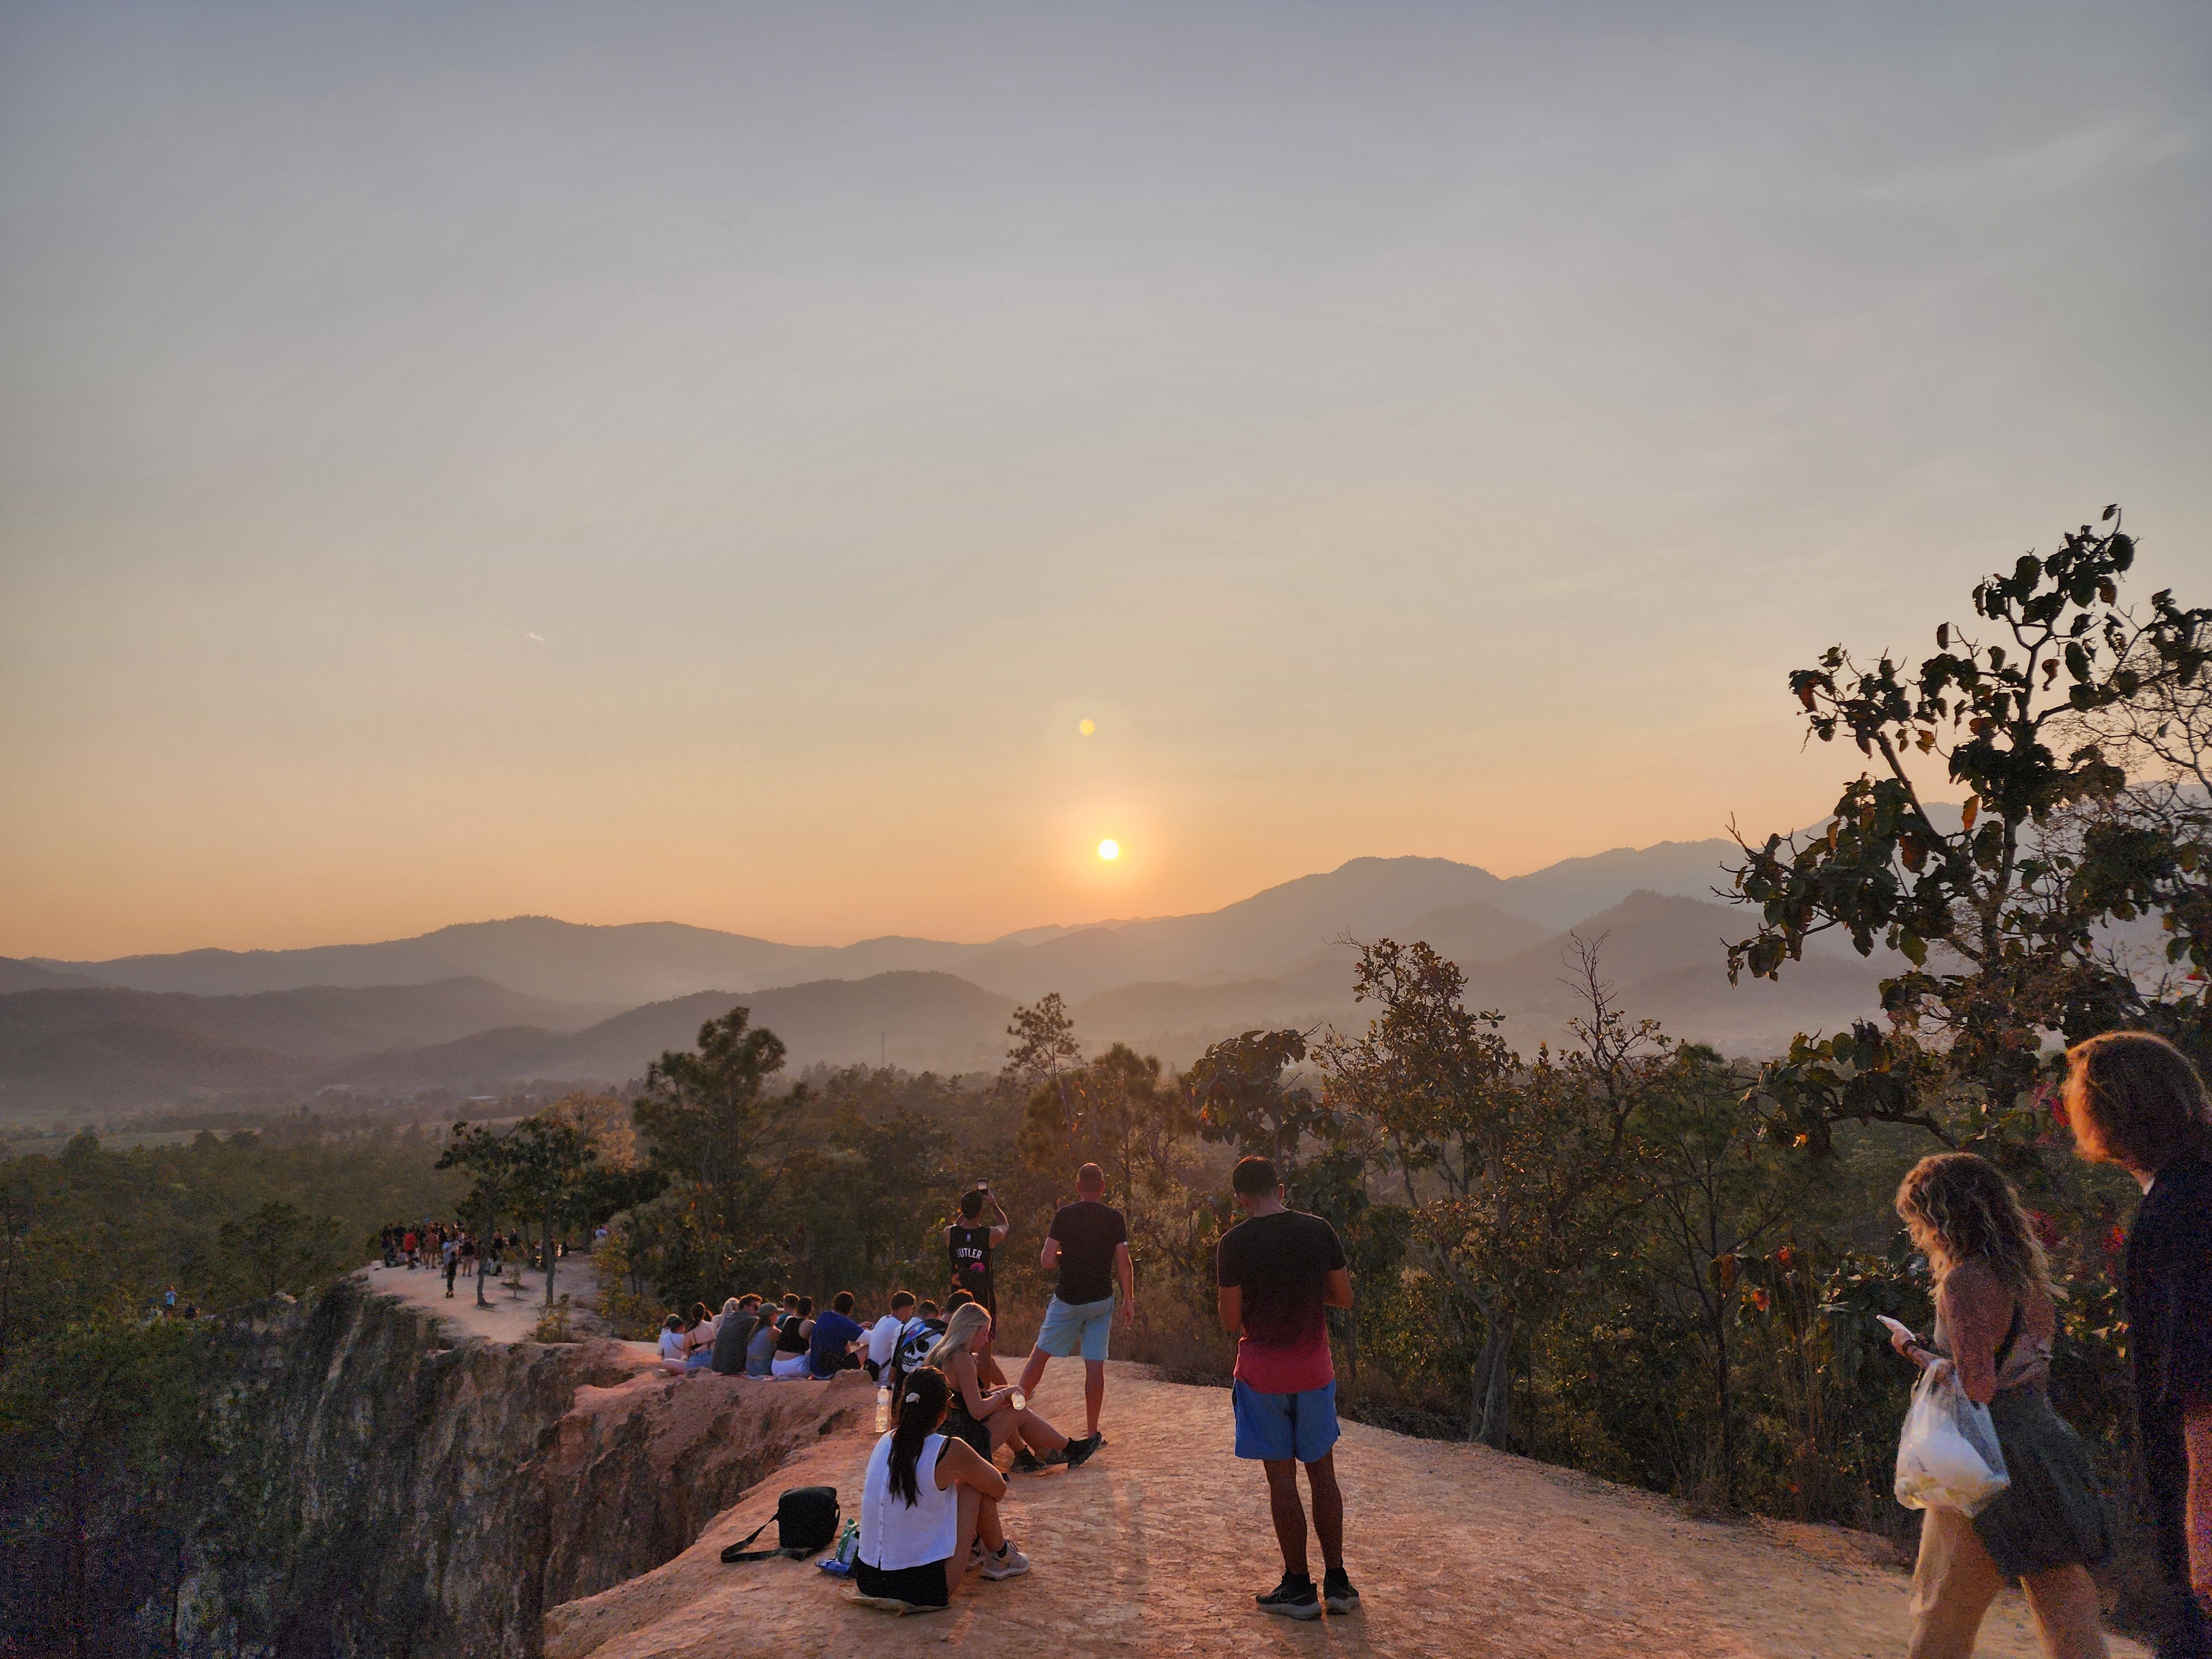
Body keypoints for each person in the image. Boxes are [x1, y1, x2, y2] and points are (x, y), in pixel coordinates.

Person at [1888, 1151, 2112, 1659]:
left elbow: (1978, 1388)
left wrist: (1913, 1349)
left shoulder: (1964, 1283)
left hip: (1986, 1458)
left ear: (1940, 1217)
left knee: (1943, 1610)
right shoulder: (2029, 1282)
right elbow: (2031, 1372)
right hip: (2045, 1447)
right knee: (2064, 1606)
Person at [2065, 1030, 2212, 1657]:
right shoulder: (2190, 1190)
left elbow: (2201, 1386)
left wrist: (2201, 1539)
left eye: (2075, 1096)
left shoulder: (2180, 1211)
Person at [1216, 1155, 1358, 1620]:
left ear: (1241, 1197)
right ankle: (1338, 1583)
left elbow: (1231, 1320)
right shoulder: (1319, 1230)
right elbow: (1344, 1297)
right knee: (1324, 1475)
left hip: (1263, 1375)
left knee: (1282, 1481)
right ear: (1280, 1187)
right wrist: (1304, 1292)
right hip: (1314, 1370)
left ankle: (1298, 1588)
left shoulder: (1232, 1244)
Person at [852, 1367, 1026, 1613]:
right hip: (922, 1590)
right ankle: (1001, 1555)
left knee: (949, 1486)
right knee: (974, 1484)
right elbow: (998, 1488)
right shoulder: (949, 1449)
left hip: (868, 1580)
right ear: (944, 1413)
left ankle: (985, 1551)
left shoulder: (885, 1441)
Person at [1017, 1163, 1130, 1454]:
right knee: (1094, 1365)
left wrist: (1068, 1258)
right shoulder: (1114, 1218)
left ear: (1078, 1187)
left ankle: (1014, 1414)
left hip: (1068, 1299)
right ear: (1103, 1187)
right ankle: (1092, 1432)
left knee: (1039, 1356)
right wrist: (1129, 1300)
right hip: (1100, 1301)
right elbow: (1123, 1262)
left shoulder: (1065, 1216)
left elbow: (1046, 1260)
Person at [927, 1302, 1089, 1474]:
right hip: (962, 1444)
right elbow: (977, 1411)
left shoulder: (940, 1352)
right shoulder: (962, 1358)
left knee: (1007, 1402)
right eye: (984, 1333)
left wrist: (1002, 1393)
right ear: (971, 1331)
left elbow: (964, 1400)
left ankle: (1028, 1455)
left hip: (943, 1437)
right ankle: (1071, 1450)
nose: (987, 1339)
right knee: (1018, 1412)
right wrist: (1003, 1394)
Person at [946, 1187, 1010, 1387]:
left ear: (961, 1209)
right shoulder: (989, 1235)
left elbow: (957, 1226)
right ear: (981, 1211)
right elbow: (1004, 1225)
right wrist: (993, 1203)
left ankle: (971, 1391)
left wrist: (964, 1212)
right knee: (984, 1351)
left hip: (959, 1299)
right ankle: (983, 1396)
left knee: (958, 1347)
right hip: (983, 1299)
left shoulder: (949, 1233)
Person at [810, 1291, 867, 1379]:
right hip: (831, 1373)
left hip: (815, 1370)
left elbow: (836, 1330)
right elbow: (872, 1339)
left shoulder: (824, 1316)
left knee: (844, 1340)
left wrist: (858, 1327)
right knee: (867, 1348)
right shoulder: (843, 1323)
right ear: (850, 1308)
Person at [865, 1291, 919, 1383]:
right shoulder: (898, 1327)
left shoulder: (883, 1320)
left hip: (873, 1373)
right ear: (903, 1308)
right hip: (884, 1379)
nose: (911, 1312)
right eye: (911, 1308)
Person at [712, 1295, 761, 1376]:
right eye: (756, 1308)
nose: (758, 1311)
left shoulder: (728, 1318)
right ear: (746, 1307)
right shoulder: (751, 1320)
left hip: (717, 1366)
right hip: (733, 1368)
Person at [772, 1298, 813, 1379]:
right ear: (811, 1310)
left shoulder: (789, 1320)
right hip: (794, 1368)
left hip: (776, 1366)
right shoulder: (809, 1324)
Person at [685, 1301, 719, 1373]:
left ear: (692, 1315)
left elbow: (687, 1353)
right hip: (712, 1359)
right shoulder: (712, 1326)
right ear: (704, 1314)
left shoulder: (690, 1332)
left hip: (697, 1361)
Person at [656, 1314, 689, 1379]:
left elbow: (661, 1350)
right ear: (681, 1327)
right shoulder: (683, 1337)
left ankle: (672, 1371)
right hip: (679, 1362)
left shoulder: (665, 1336)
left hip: (666, 1361)